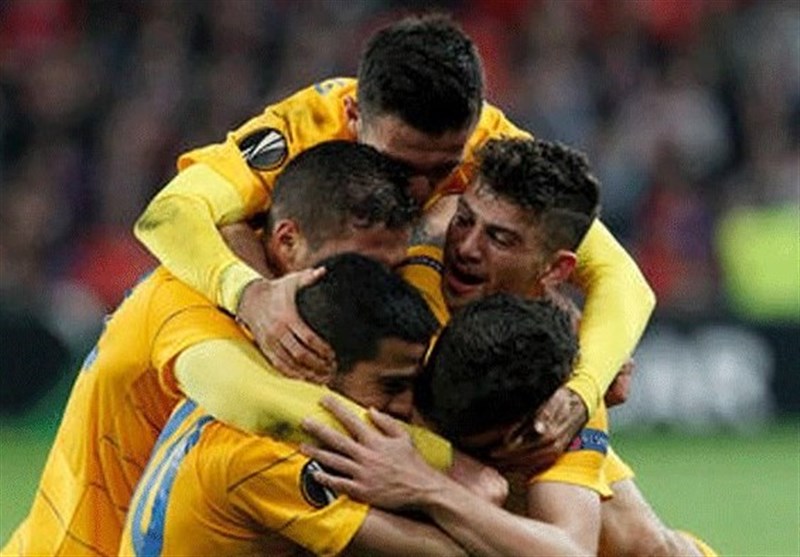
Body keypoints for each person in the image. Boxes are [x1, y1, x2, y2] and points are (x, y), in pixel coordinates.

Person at [131, 13, 657, 463]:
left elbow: (620, 277)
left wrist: (580, 388)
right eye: (402, 167)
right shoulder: (305, 127)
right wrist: (249, 294)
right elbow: (169, 214)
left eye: (444, 170)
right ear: (354, 117)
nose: (421, 191)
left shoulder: (487, 144)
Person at [1, 142, 452, 557]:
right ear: (288, 242)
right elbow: (256, 402)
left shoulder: (282, 327)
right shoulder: (192, 306)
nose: (373, 288)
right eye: (353, 266)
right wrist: (448, 466)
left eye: (391, 272)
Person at [304, 137, 717, 557]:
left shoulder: (556, 382)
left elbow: (570, 550)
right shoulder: (397, 280)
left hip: (450, 500)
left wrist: (428, 486)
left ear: (555, 269)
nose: (466, 247)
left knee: (644, 546)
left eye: (499, 238)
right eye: (464, 220)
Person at [118, 254, 584, 556]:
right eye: (392, 386)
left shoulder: (256, 398)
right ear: (316, 363)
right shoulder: (266, 454)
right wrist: (434, 487)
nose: (406, 406)